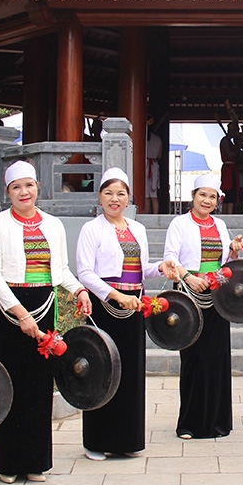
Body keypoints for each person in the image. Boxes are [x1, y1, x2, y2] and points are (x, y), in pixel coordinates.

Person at [0, 160, 91, 484]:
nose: (23, 192)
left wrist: (80, 290)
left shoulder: (53, 225)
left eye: (28, 185)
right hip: (10, 312)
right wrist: (20, 314)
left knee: (39, 386)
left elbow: (61, 271)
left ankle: (35, 461)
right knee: (10, 385)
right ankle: (8, 463)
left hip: (44, 307)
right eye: (16, 187)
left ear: (37, 187)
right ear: (8, 192)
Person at [76, 168, 166, 459]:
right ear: (100, 197)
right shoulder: (92, 229)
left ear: (129, 198)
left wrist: (161, 267)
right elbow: (85, 273)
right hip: (105, 307)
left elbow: (142, 270)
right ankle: (97, 441)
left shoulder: (137, 229)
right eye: (109, 193)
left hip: (133, 307)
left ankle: (127, 440)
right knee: (102, 371)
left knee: (130, 373)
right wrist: (115, 296)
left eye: (121, 193)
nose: (115, 199)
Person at [161, 174, 243, 439]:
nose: (207, 200)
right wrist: (188, 277)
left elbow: (225, 261)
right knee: (193, 359)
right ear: (193, 195)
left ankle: (218, 422)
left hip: (217, 296)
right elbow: (170, 258)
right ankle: (189, 423)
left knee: (217, 358)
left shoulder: (220, 225)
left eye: (212, 196)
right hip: (189, 296)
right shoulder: (179, 224)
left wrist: (234, 250)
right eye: (203, 195)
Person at [218, 119, 243, 214]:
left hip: (232, 169)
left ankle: (228, 212)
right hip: (229, 169)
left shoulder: (229, 141)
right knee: (230, 191)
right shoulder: (225, 141)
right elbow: (230, 153)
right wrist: (237, 148)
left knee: (232, 192)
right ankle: (227, 213)